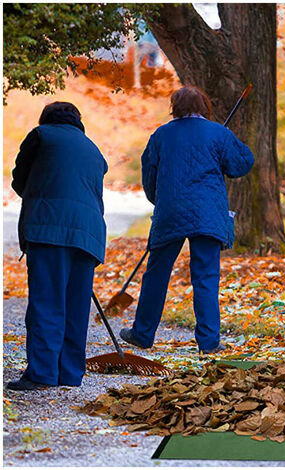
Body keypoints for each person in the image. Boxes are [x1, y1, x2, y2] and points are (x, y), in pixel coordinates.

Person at [120, 86, 254, 354]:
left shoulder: (161, 135)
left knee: (156, 273)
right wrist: (227, 143)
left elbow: (150, 176)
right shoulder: (219, 133)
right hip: (208, 213)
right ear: (205, 107)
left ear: (175, 107)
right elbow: (242, 164)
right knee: (205, 276)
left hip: (169, 211)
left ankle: (143, 333)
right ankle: (208, 342)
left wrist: (159, 200)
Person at [7, 102, 108, 391]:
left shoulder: (41, 135)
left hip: (49, 229)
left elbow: (19, 180)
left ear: (47, 118)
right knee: (76, 306)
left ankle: (41, 374)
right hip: (88, 234)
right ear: (78, 121)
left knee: (47, 301)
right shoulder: (93, 149)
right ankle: (70, 374)